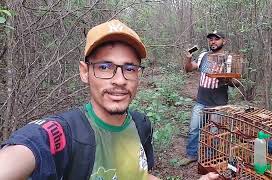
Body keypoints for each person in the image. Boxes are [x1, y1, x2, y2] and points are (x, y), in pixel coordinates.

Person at [0, 19, 219, 180]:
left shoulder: (141, 124)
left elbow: (140, 175)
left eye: (130, 68)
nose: (120, 80)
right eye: (105, 67)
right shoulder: (62, 134)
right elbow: (19, 156)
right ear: (85, 72)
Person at [181, 31, 239, 165]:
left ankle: (210, 158)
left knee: (214, 132)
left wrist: (225, 78)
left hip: (219, 103)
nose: (213, 42)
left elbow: (236, 82)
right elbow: (189, 69)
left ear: (224, 41)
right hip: (201, 101)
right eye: (211, 39)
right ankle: (191, 154)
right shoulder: (203, 55)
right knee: (194, 128)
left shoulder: (228, 58)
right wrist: (189, 58)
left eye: (216, 39)